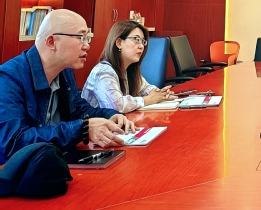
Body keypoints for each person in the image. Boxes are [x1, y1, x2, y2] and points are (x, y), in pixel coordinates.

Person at [0, 9, 137, 165]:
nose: (87, 46)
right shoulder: (8, 79)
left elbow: (78, 109)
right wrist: (82, 129)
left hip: (54, 161)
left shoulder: (65, 72)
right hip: (18, 172)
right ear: (51, 42)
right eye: (81, 38)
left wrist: (110, 115)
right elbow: (13, 143)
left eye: (87, 38)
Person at [82, 20, 176, 113]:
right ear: (119, 43)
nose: (141, 46)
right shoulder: (103, 72)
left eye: (143, 41)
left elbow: (146, 88)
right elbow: (116, 105)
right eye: (136, 39)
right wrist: (148, 100)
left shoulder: (128, 70)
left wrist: (160, 94)